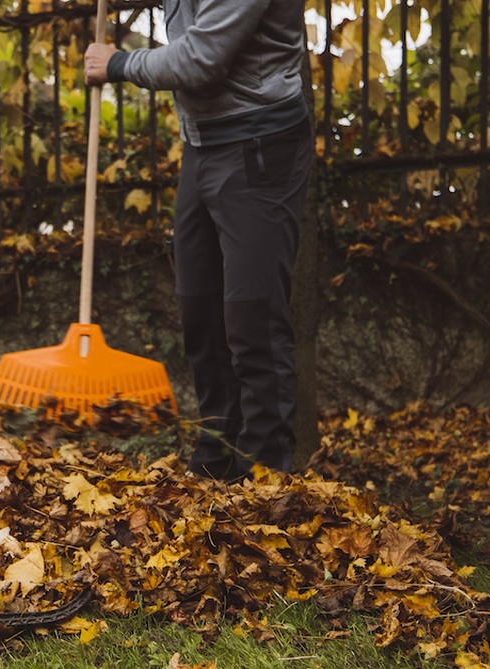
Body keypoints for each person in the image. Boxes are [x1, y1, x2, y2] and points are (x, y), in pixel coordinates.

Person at [84, 1, 312, 481]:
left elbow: (201, 60)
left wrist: (119, 62)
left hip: (259, 144)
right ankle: (215, 462)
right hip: (204, 143)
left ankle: (265, 477)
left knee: (252, 320)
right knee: (200, 312)